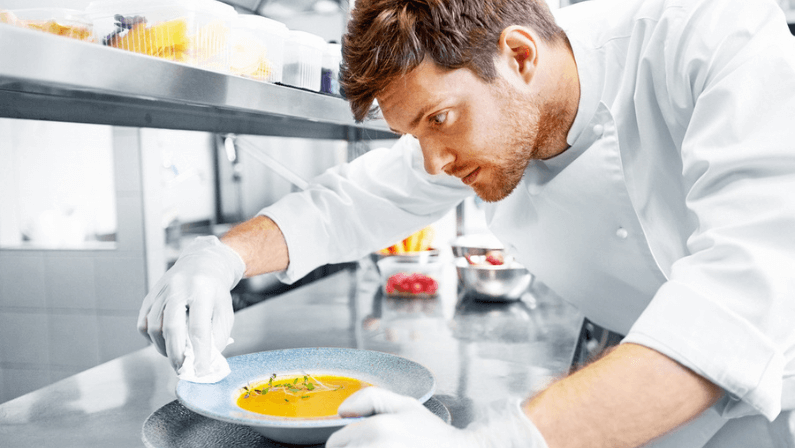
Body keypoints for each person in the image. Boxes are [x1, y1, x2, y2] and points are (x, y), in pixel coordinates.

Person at [138, 0, 795, 446]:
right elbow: (346, 203)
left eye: (438, 120)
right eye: (410, 133)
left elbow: (733, 312)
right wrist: (217, 259)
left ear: (519, 56)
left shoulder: (709, 36)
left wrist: (493, 442)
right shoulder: (485, 109)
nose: (433, 161)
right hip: (667, 395)